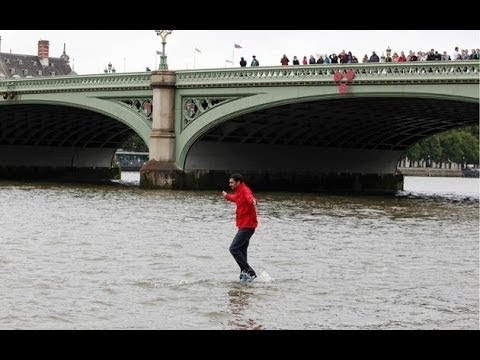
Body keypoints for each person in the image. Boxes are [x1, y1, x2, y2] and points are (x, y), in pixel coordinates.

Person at [222, 173, 258, 281]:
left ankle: (249, 272)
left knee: (233, 248)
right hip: (244, 225)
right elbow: (236, 198)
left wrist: (253, 201)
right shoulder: (239, 192)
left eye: (232, 182)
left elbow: (249, 197)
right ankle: (245, 276)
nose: (230, 185)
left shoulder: (245, 190)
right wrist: (226, 196)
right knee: (242, 250)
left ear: (238, 182)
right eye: (229, 182)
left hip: (248, 226)